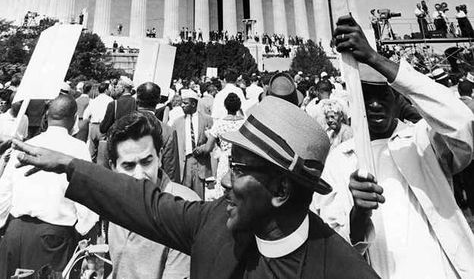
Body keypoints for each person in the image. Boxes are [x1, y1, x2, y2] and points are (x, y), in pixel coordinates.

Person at [13, 96, 380, 279]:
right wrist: (69, 165)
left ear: (281, 189)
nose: (221, 180)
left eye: (236, 169)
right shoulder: (215, 222)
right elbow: (148, 205)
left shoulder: (342, 270)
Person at [314, 16, 474, 279]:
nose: (374, 105)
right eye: (366, 96)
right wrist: (359, 213)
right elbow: (335, 242)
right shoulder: (339, 160)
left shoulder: (423, 140)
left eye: (382, 95)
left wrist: (375, 59)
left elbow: (462, 122)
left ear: (397, 97)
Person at [0, 95, 98, 277]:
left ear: (47, 116)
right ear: (74, 119)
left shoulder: (27, 145)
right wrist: (85, 231)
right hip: (53, 239)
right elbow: (87, 199)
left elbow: (4, 191)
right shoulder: (77, 149)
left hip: (15, 232)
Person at [106, 112, 199, 278]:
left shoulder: (184, 208)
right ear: (113, 167)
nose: (140, 174)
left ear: (160, 157)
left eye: (146, 162)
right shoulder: (115, 201)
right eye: (128, 166)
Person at [199, 92, 245, 197]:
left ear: (225, 106)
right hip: (241, 160)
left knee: (224, 193)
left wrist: (200, 149)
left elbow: (208, 147)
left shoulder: (219, 123)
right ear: (239, 107)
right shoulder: (244, 123)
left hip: (225, 160)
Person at [136, 81, 180, 182]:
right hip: (153, 190)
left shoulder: (121, 125)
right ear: (159, 100)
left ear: (136, 100)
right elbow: (171, 171)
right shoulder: (168, 132)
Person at [173, 89, 213, 198]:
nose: (182, 105)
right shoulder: (177, 122)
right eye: (182, 103)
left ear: (194, 104)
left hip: (200, 162)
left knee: (198, 196)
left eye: (185, 103)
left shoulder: (207, 120)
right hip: (184, 162)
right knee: (185, 195)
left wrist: (203, 148)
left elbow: (214, 142)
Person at [83, 82, 112, 162]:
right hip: (104, 127)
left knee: (91, 151)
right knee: (102, 153)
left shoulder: (93, 101)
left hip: (93, 126)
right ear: (106, 90)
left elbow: (86, 115)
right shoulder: (110, 100)